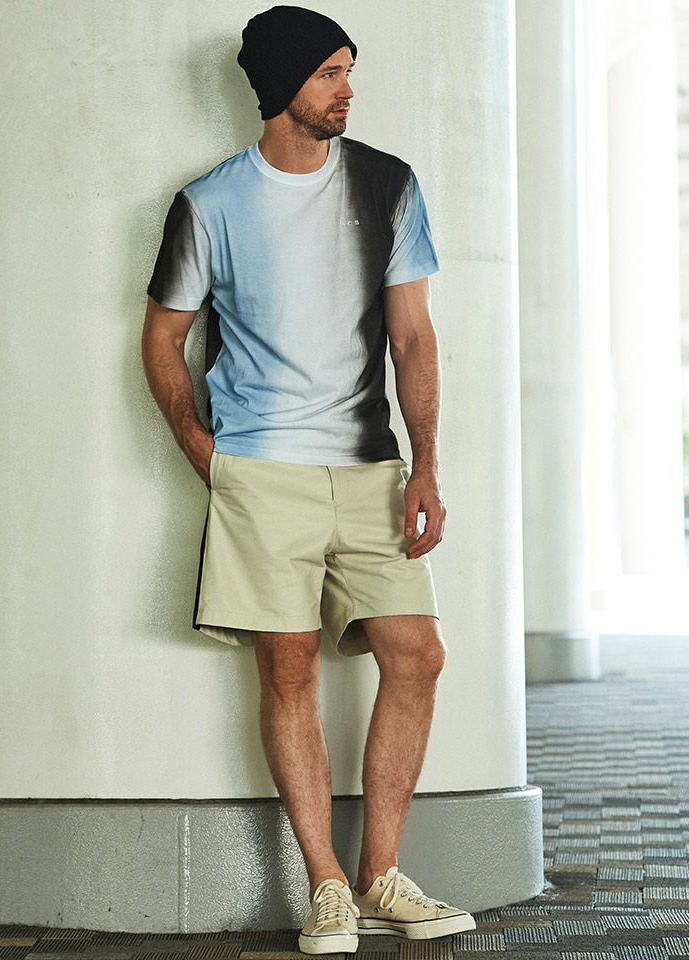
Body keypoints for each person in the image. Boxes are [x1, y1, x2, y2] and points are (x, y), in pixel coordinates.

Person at [141, 4, 476, 954]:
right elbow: (163, 335)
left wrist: (427, 465)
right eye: (329, 72)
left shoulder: (387, 182)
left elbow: (413, 337)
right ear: (281, 83)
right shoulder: (210, 202)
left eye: (348, 71)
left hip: (371, 465)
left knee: (417, 654)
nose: (347, 90)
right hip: (261, 472)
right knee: (287, 670)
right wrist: (202, 449)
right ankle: (327, 887)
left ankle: (383, 877)